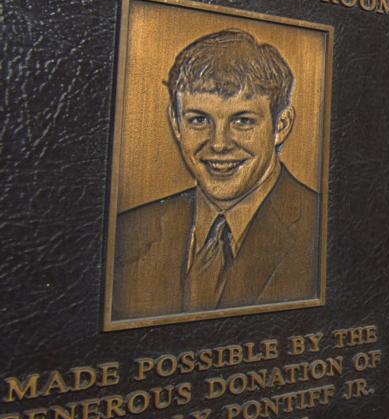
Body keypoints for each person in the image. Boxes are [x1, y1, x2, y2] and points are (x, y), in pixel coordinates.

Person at [112, 28, 320, 321]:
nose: (219, 143)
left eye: (243, 121)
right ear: (175, 123)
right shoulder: (127, 234)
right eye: (198, 120)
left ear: (281, 125)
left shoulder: (325, 231)